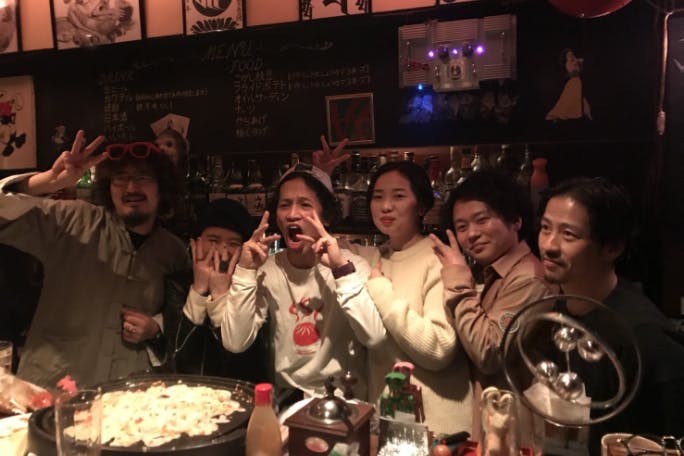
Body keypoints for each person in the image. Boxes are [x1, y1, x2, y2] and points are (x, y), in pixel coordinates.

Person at [0, 130, 189, 387]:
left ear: (161, 187)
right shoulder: (73, 221)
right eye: (120, 178)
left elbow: (181, 319)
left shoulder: (173, 251)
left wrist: (156, 327)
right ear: (108, 186)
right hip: (52, 389)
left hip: (130, 395)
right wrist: (49, 182)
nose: (131, 187)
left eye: (143, 177)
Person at [538, 177, 684, 450]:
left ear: (612, 248)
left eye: (569, 234)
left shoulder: (643, 335)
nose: (549, 245)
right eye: (545, 228)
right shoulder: (561, 310)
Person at [220, 163, 386, 402]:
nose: (292, 214)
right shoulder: (267, 270)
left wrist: (340, 271)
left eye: (305, 204)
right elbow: (235, 342)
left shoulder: (351, 266)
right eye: (284, 205)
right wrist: (245, 271)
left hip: (345, 401)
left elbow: (375, 338)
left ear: (326, 217)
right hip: (289, 401)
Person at [429, 170, 551, 440]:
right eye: (462, 227)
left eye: (482, 220)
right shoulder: (491, 274)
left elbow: (488, 353)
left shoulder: (528, 278)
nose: (472, 234)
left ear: (515, 220)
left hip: (514, 432)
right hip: (490, 422)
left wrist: (458, 279)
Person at [357, 160, 472, 436]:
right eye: (377, 197)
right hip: (391, 422)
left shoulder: (438, 259)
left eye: (398, 196)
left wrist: (382, 292)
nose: (386, 206)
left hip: (436, 427)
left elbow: (439, 348)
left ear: (421, 206)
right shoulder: (375, 257)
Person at [163, 198, 269, 382]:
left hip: (240, 390)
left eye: (233, 243)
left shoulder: (251, 286)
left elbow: (241, 356)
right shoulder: (177, 284)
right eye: (213, 240)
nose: (222, 250)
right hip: (188, 391)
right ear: (196, 243)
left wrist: (220, 294)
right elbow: (177, 351)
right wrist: (199, 290)